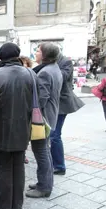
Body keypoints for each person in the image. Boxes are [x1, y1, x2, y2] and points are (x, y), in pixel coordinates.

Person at [0, 43, 34, 209]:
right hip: (23, 128)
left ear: (0, 57)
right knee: (18, 166)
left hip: (1, 128)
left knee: (4, 166)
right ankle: (17, 204)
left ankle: (5, 204)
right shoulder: (30, 73)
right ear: (17, 55)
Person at [27, 43, 63, 198]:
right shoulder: (54, 68)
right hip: (51, 115)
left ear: (45, 55)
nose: (36, 52)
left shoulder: (45, 73)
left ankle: (44, 186)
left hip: (43, 118)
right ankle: (45, 181)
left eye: (38, 51)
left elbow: (41, 100)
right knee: (45, 151)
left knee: (41, 151)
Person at [52, 54, 85, 175]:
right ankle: (55, 164)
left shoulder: (64, 62)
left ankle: (59, 166)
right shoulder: (49, 63)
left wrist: (48, 67)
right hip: (54, 103)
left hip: (62, 103)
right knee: (52, 135)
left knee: (54, 135)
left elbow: (62, 76)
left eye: (39, 51)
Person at [19, 55, 34, 165]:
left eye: (25, 63)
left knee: (25, 134)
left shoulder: (31, 76)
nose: (23, 66)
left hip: (27, 110)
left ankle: (22, 154)